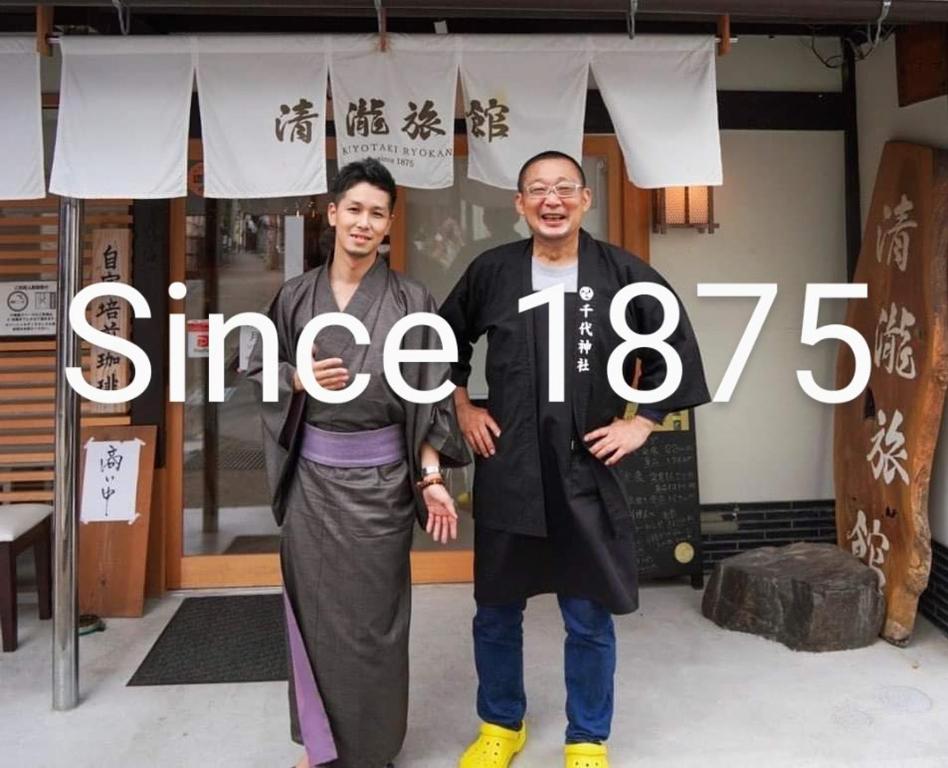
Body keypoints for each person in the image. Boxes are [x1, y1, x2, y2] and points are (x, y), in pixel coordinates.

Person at [440, 150, 710, 768]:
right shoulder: (493, 272)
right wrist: (462, 407)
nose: (551, 200)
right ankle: (500, 725)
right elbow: (442, 340)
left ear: (586, 200)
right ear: (520, 204)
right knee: (496, 609)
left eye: (564, 188)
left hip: (586, 469)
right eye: (537, 189)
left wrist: (642, 423)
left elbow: (674, 346)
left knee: (587, 612)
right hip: (510, 468)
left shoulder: (621, 272)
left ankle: (587, 735)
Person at [247, 158, 468, 768]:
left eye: (377, 213)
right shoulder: (295, 296)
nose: (364, 222)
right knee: (313, 619)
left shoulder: (411, 299)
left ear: (390, 223)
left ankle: (370, 752)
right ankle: (321, 746)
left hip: (382, 485)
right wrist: (296, 376)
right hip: (313, 481)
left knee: (375, 625)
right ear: (333, 212)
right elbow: (259, 369)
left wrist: (430, 479)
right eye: (355, 209)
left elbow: (428, 397)